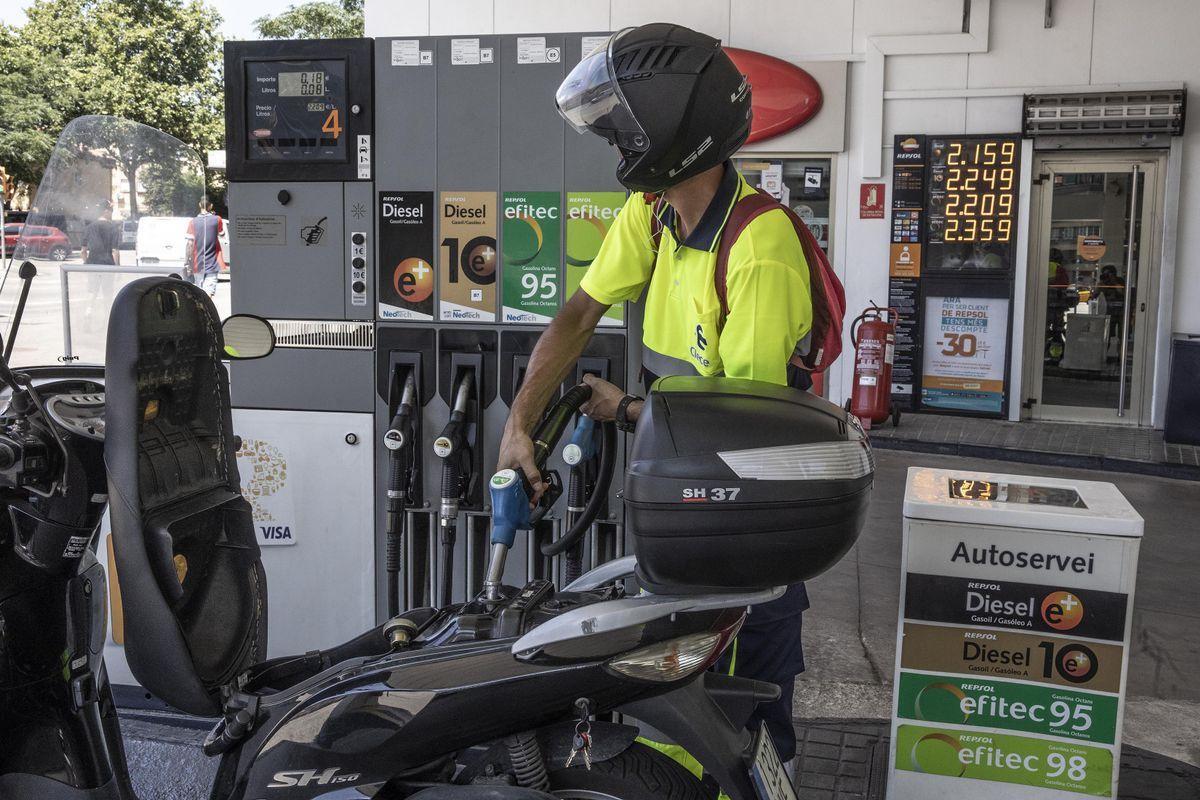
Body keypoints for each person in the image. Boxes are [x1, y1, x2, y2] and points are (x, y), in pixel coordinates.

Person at [497, 23, 813, 778]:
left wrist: (628, 409)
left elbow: (743, 434)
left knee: (740, 726)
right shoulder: (656, 212)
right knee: (674, 708)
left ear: (674, 130)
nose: (615, 148)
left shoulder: (761, 250)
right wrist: (519, 425)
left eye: (623, 130)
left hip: (747, 529)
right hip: (686, 503)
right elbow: (579, 313)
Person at [187, 197, 225, 297]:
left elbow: (190, 245)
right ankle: (206, 311)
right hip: (213, 262)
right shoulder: (217, 219)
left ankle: (200, 311)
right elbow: (222, 234)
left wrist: (188, 262)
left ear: (199, 205)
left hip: (197, 262)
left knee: (199, 292)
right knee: (209, 293)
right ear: (211, 206)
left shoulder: (192, 222)